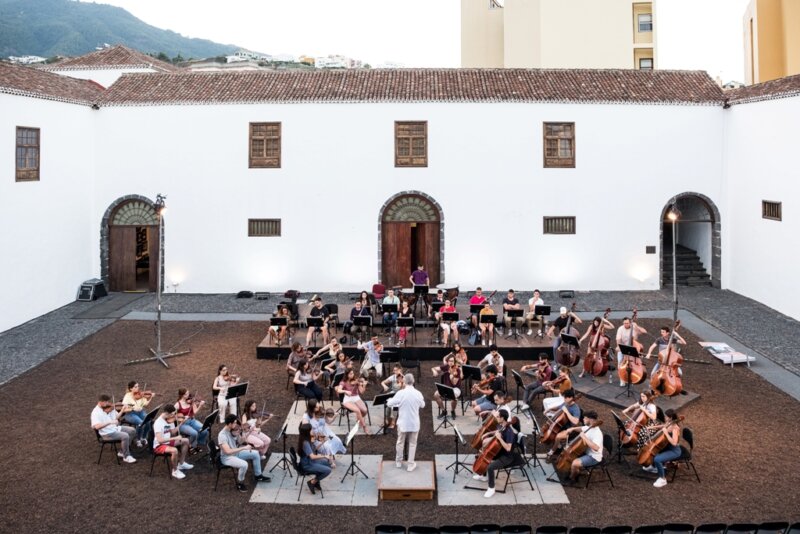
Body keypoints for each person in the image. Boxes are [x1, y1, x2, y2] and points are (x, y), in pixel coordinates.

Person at [473, 408, 523, 498]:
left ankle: (491, 488)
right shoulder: (501, 425)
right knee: (485, 454)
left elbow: (508, 448)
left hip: (507, 457)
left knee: (490, 467)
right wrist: (488, 434)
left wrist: (499, 438)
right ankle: (483, 476)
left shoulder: (509, 432)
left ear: (503, 418)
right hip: (500, 452)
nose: (496, 417)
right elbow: (498, 431)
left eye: (498, 416)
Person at [218, 414, 271, 492]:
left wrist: (244, 435)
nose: (236, 425)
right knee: (244, 464)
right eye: (235, 423)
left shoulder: (233, 430)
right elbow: (227, 451)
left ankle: (258, 475)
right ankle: (240, 483)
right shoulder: (222, 435)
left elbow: (239, 441)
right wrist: (243, 448)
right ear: (230, 424)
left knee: (256, 454)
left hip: (236, 452)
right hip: (227, 457)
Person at [386, 373, 425, 472]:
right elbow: (423, 405)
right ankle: (410, 464)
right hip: (414, 423)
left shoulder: (401, 393)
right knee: (412, 444)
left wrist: (391, 399)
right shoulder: (418, 393)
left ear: (404, 381)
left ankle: (398, 461)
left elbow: (389, 403)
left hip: (402, 423)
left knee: (400, 442)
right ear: (413, 381)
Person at [558, 410, 604, 486]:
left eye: (585, 418)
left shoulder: (597, 433)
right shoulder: (589, 426)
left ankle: (572, 479)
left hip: (593, 457)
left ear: (591, 419)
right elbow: (582, 428)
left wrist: (584, 437)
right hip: (586, 452)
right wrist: (572, 429)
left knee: (575, 463)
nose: (583, 419)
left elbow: (596, 448)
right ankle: (575, 472)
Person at [642, 409, 683, 488]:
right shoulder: (669, 423)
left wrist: (666, 433)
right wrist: (651, 427)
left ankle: (662, 479)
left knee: (657, 459)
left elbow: (674, 443)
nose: (664, 417)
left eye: (666, 416)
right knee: (655, 450)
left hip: (674, 450)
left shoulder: (675, 428)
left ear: (670, 418)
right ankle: (654, 467)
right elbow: (663, 426)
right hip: (667, 447)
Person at [91, 394, 136, 463]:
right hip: (106, 433)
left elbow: (116, 417)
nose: (108, 403)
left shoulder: (108, 408)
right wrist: (109, 422)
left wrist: (122, 411)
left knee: (132, 430)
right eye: (106, 402)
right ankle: (126, 456)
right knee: (125, 436)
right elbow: (96, 426)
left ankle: (122, 451)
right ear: (101, 402)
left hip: (114, 428)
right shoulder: (95, 412)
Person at [153, 405, 193, 480]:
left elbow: (173, 431)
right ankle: (175, 471)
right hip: (159, 445)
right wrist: (175, 438)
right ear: (167, 413)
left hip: (168, 441)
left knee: (186, 441)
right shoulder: (158, 423)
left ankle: (181, 463)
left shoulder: (169, 420)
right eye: (173, 414)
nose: (174, 416)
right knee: (174, 450)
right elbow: (160, 440)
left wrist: (182, 422)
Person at [544, 389, 583, 460]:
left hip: (570, 429)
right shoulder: (566, 403)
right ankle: (558, 447)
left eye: (565, 397)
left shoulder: (576, 409)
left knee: (558, 436)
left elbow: (576, 422)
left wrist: (567, 412)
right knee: (552, 431)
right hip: (562, 425)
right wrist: (548, 409)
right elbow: (558, 407)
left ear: (571, 398)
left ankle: (552, 452)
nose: (564, 399)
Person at [298, 422, 334, 495]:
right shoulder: (305, 443)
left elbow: (313, 451)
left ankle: (316, 481)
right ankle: (312, 482)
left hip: (310, 461)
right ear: (307, 432)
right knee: (328, 470)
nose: (313, 431)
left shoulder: (306, 439)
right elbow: (312, 456)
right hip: (307, 465)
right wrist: (324, 455)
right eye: (311, 430)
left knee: (327, 463)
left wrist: (323, 442)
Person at [616, 316, 649, 387]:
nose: (626, 325)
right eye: (624, 323)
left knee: (633, 365)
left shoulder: (634, 327)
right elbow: (618, 340)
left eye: (627, 323)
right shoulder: (620, 329)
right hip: (623, 347)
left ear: (630, 323)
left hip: (633, 348)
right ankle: (622, 379)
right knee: (620, 363)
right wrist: (618, 346)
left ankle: (632, 378)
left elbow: (645, 331)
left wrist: (636, 326)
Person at [121, 381, 156, 448]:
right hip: (130, 414)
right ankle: (138, 439)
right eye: (135, 387)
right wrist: (133, 408)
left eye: (138, 386)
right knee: (141, 423)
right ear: (131, 388)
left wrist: (151, 397)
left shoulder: (140, 394)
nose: (138, 388)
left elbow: (146, 404)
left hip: (140, 412)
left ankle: (144, 437)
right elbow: (124, 408)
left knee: (148, 421)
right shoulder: (127, 396)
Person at [336, 368, 371, 434]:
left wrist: (364, 385)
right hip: (347, 399)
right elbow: (338, 390)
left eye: (353, 373)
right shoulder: (343, 382)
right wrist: (345, 391)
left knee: (365, 410)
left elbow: (361, 392)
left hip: (356, 397)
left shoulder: (357, 381)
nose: (352, 375)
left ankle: (359, 419)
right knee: (357, 410)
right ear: (347, 375)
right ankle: (364, 427)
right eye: (351, 374)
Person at [433, 354, 463, 419]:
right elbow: (434, 368)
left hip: (456, 388)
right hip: (446, 387)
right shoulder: (446, 367)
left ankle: (452, 411)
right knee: (436, 395)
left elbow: (454, 383)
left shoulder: (457, 370)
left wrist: (451, 377)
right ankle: (444, 411)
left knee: (454, 397)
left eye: (452, 361)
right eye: (449, 361)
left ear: (455, 362)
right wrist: (434, 371)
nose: (451, 362)